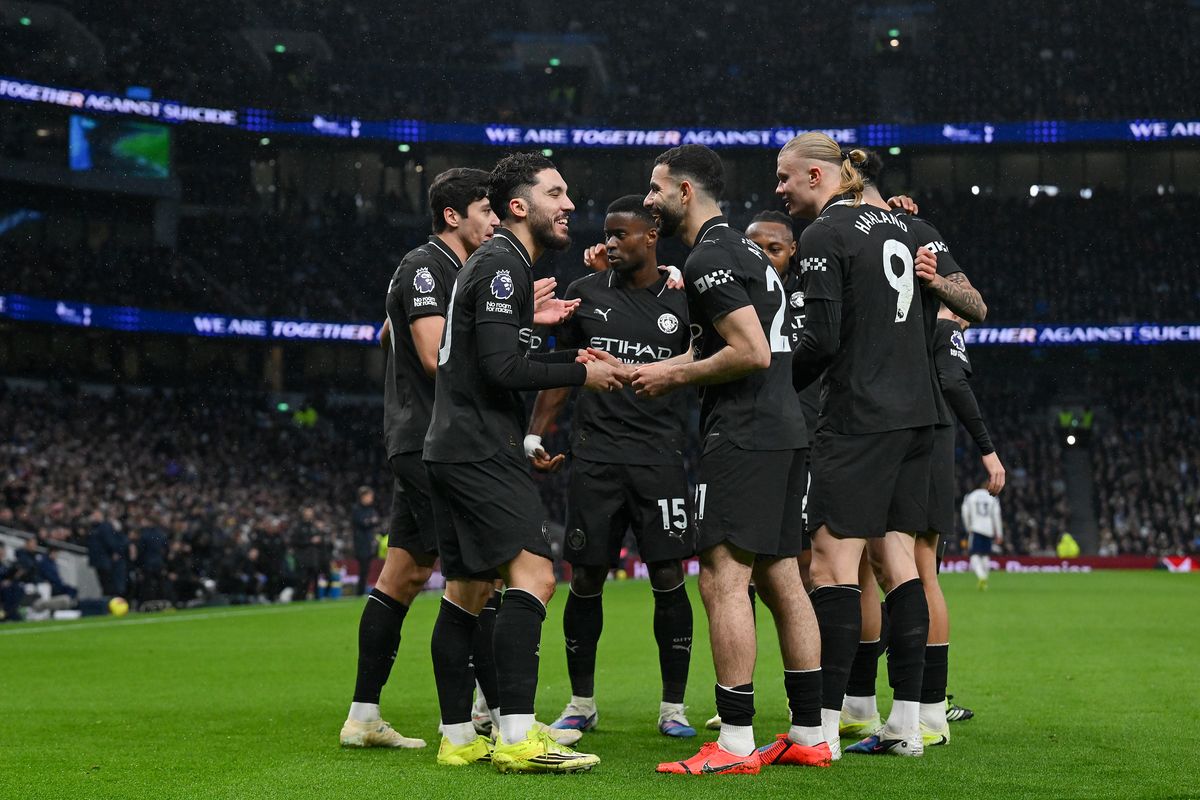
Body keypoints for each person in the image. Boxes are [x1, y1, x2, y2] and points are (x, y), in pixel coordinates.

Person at [423, 152, 625, 773]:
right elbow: (501, 370)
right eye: (556, 193)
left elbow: (496, 354)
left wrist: (550, 346)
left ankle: (459, 736)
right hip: (479, 447)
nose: (569, 205)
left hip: (455, 446)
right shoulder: (504, 267)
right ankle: (514, 736)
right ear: (520, 206)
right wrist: (581, 371)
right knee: (535, 576)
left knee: (466, 592)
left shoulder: (495, 265)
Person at [633, 144, 828, 775]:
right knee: (782, 578)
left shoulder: (713, 254)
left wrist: (673, 378)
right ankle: (808, 732)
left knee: (722, 578)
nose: (648, 200)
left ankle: (737, 740)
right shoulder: (748, 252)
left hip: (744, 434)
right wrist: (665, 367)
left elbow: (750, 351)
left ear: (685, 193)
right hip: (784, 429)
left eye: (657, 188)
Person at [779, 132, 939, 758]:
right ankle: (907, 724)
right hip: (917, 413)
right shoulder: (908, 227)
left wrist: (774, 384)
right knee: (898, 562)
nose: (779, 188)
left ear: (819, 177)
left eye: (786, 176)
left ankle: (820, 728)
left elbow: (819, 340)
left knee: (831, 565)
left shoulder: (824, 236)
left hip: (859, 416)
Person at [524, 195, 697, 739]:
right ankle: (581, 702)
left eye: (622, 234)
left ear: (652, 237)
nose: (611, 242)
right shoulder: (584, 295)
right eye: (607, 233)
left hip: (661, 459)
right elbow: (561, 373)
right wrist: (535, 433)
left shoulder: (685, 299)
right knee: (587, 577)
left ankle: (674, 708)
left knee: (669, 578)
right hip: (596, 459)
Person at [341, 167, 499, 750]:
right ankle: (482, 715)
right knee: (486, 571)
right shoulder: (426, 265)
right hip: (432, 444)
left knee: (402, 575)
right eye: (486, 209)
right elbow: (434, 356)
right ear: (453, 215)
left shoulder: (451, 271)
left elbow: (390, 336)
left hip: (423, 440)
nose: (495, 219)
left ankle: (362, 716)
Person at [837, 159, 992, 746]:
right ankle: (869, 705)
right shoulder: (846, 232)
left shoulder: (912, 234)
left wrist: (936, 281)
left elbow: (975, 305)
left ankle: (925, 711)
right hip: (872, 419)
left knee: (912, 566)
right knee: (867, 565)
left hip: (911, 421)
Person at [963, 484, 1004, 589]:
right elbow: (996, 515)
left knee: (974, 555)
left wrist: (968, 527)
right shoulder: (993, 497)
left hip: (976, 528)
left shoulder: (971, 496)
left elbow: (965, 512)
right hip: (989, 529)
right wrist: (999, 533)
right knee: (985, 555)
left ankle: (981, 577)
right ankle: (985, 579)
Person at [350, 486, 380, 596]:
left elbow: (374, 521)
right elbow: (363, 522)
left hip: (369, 544)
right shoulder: (356, 509)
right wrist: (370, 521)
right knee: (363, 570)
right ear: (363, 496)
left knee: (366, 570)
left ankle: (361, 591)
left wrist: (370, 522)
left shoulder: (370, 509)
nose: (371, 498)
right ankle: (360, 592)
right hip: (361, 545)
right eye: (369, 496)